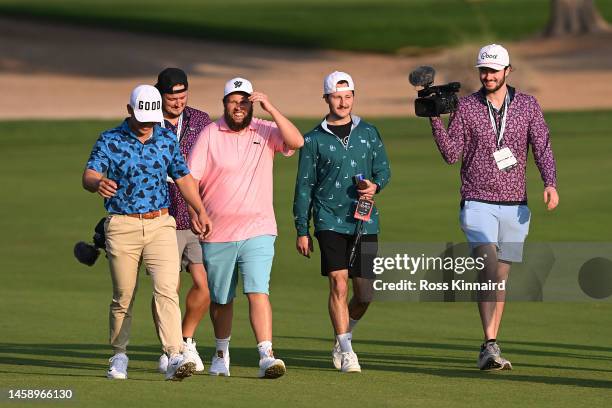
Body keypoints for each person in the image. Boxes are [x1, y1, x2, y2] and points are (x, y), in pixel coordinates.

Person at [428, 44, 559, 370]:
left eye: (493, 70)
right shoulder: (467, 107)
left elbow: (541, 144)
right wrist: (433, 118)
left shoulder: (528, 105)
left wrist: (550, 183)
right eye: (483, 70)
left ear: (507, 71)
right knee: (487, 265)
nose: (487, 75)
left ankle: (490, 346)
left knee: (499, 277)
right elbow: (450, 154)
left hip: (515, 206)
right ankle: (489, 344)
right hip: (477, 201)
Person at [82, 84, 212, 381]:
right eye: (141, 117)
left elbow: (183, 177)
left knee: (167, 289)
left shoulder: (166, 138)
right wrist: (97, 183)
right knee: (124, 295)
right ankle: (119, 354)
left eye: (151, 119)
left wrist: (200, 210)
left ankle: (175, 355)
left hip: (161, 224)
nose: (146, 125)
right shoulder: (110, 139)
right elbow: (89, 174)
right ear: (129, 111)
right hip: (122, 225)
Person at [187, 77, 304, 378]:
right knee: (222, 299)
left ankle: (266, 355)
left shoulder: (265, 129)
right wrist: (196, 211)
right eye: (232, 101)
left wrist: (271, 108)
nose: (238, 107)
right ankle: (220, 352)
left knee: (257, 290)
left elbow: (296, 141)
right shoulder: (210, 134)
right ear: (224, 103)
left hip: (259, 228)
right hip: (218, 231)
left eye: (244, 101)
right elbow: (190, 180)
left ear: (252, 104)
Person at [293, 71, 391, 373]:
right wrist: (302, 229)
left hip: (364, 220)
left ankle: (342, 335)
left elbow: (384, 171)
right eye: (337, 96)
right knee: (338, 283)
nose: (343, 102)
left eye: (348, 96)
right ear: (326, 98)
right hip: (328, 219)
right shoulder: (312, 139)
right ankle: (346, 350)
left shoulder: (369, 132)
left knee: (365, 294)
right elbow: (304, 186)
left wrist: (375, 186)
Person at [152, 68, 213, 374]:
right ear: (160, 95)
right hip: (163, 217)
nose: (177, 102)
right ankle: (170, 348)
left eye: (182, 95)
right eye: (171, 97)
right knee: (168, 288)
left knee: (205, 286)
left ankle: (186, 340)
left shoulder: (201, 121)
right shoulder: (148, 121)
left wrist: (203, 208)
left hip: (196, 215)